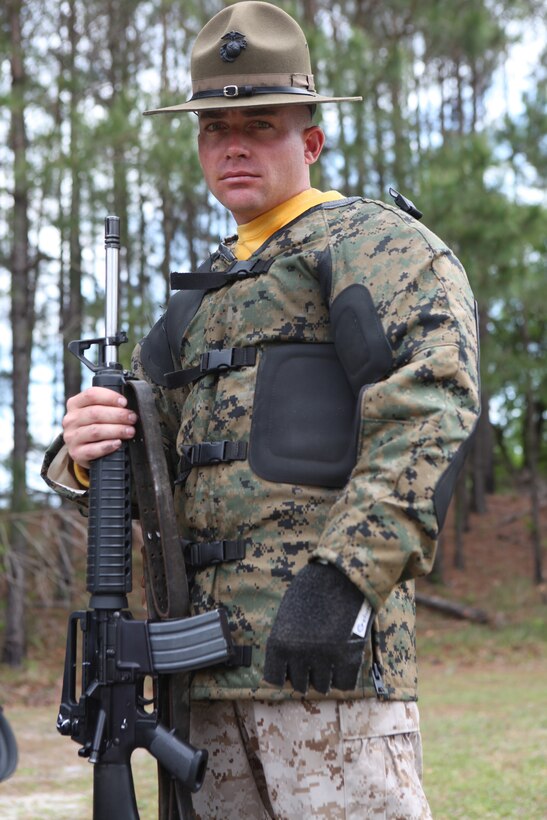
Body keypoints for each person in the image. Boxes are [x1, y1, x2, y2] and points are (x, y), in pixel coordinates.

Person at [43, 2, 480, 817]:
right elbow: (143, 472)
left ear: (309, 141)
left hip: (326, 676)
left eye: (260, 123)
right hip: (201, 690)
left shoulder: (376, 246)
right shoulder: (193, 302)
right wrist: (78, 453)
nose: (233, 143)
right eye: (215, 127)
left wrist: (340, 580)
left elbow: (430, 413)